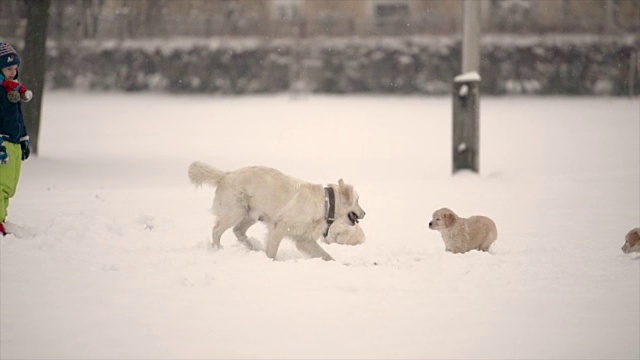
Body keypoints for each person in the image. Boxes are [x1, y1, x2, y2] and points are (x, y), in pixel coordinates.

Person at [0, 43, 32, 236]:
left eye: (15, 68)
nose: (13, 72)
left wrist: (23, 138)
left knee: (10, 186)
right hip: (3, 143)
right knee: (1, 184)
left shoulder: (13, 90)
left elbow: (18, 117)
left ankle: (2, 217)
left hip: (14, 142)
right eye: (8, 68)